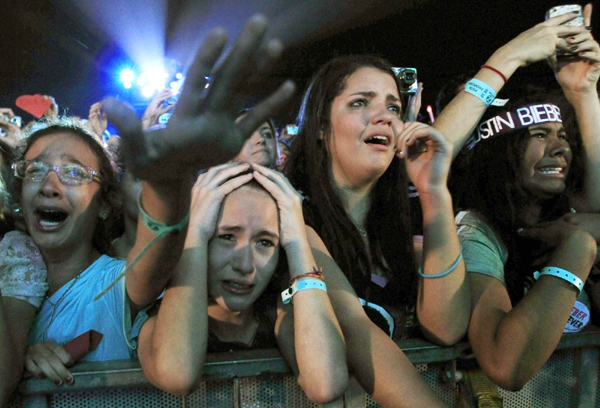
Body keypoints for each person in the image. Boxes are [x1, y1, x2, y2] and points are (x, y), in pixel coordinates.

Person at [16, 14, 295, 388]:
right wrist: (20, 352)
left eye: (74, 172)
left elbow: (159, 247)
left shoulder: (121, 281)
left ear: (106, 201)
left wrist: (170, 182)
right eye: (35, 170)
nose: (50, 184)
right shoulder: (8, 264)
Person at [284, 54, 468, 406]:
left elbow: (447, 328)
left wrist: (434, 192)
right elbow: (357, 331)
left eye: (394, 107)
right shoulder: (293, 216)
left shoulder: (401, 221)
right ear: (321, 126)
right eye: (360, 103)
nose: (384, 116)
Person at [437, 5, 600, 390]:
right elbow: (504, 363)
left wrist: (583, 92)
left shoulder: (575, 212)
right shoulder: (476, 232)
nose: (560, 149)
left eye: (563, 136)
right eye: (539, 135)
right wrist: (578, 247)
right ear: (502, 154)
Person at [138, 164, 347, 402]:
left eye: (265, 242)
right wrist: (193, 230)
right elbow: (177, 375)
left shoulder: (280, 314)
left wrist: (298, 242)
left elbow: (326, 384)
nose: (245, 265)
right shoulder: (158, 317)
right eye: (227, 237)